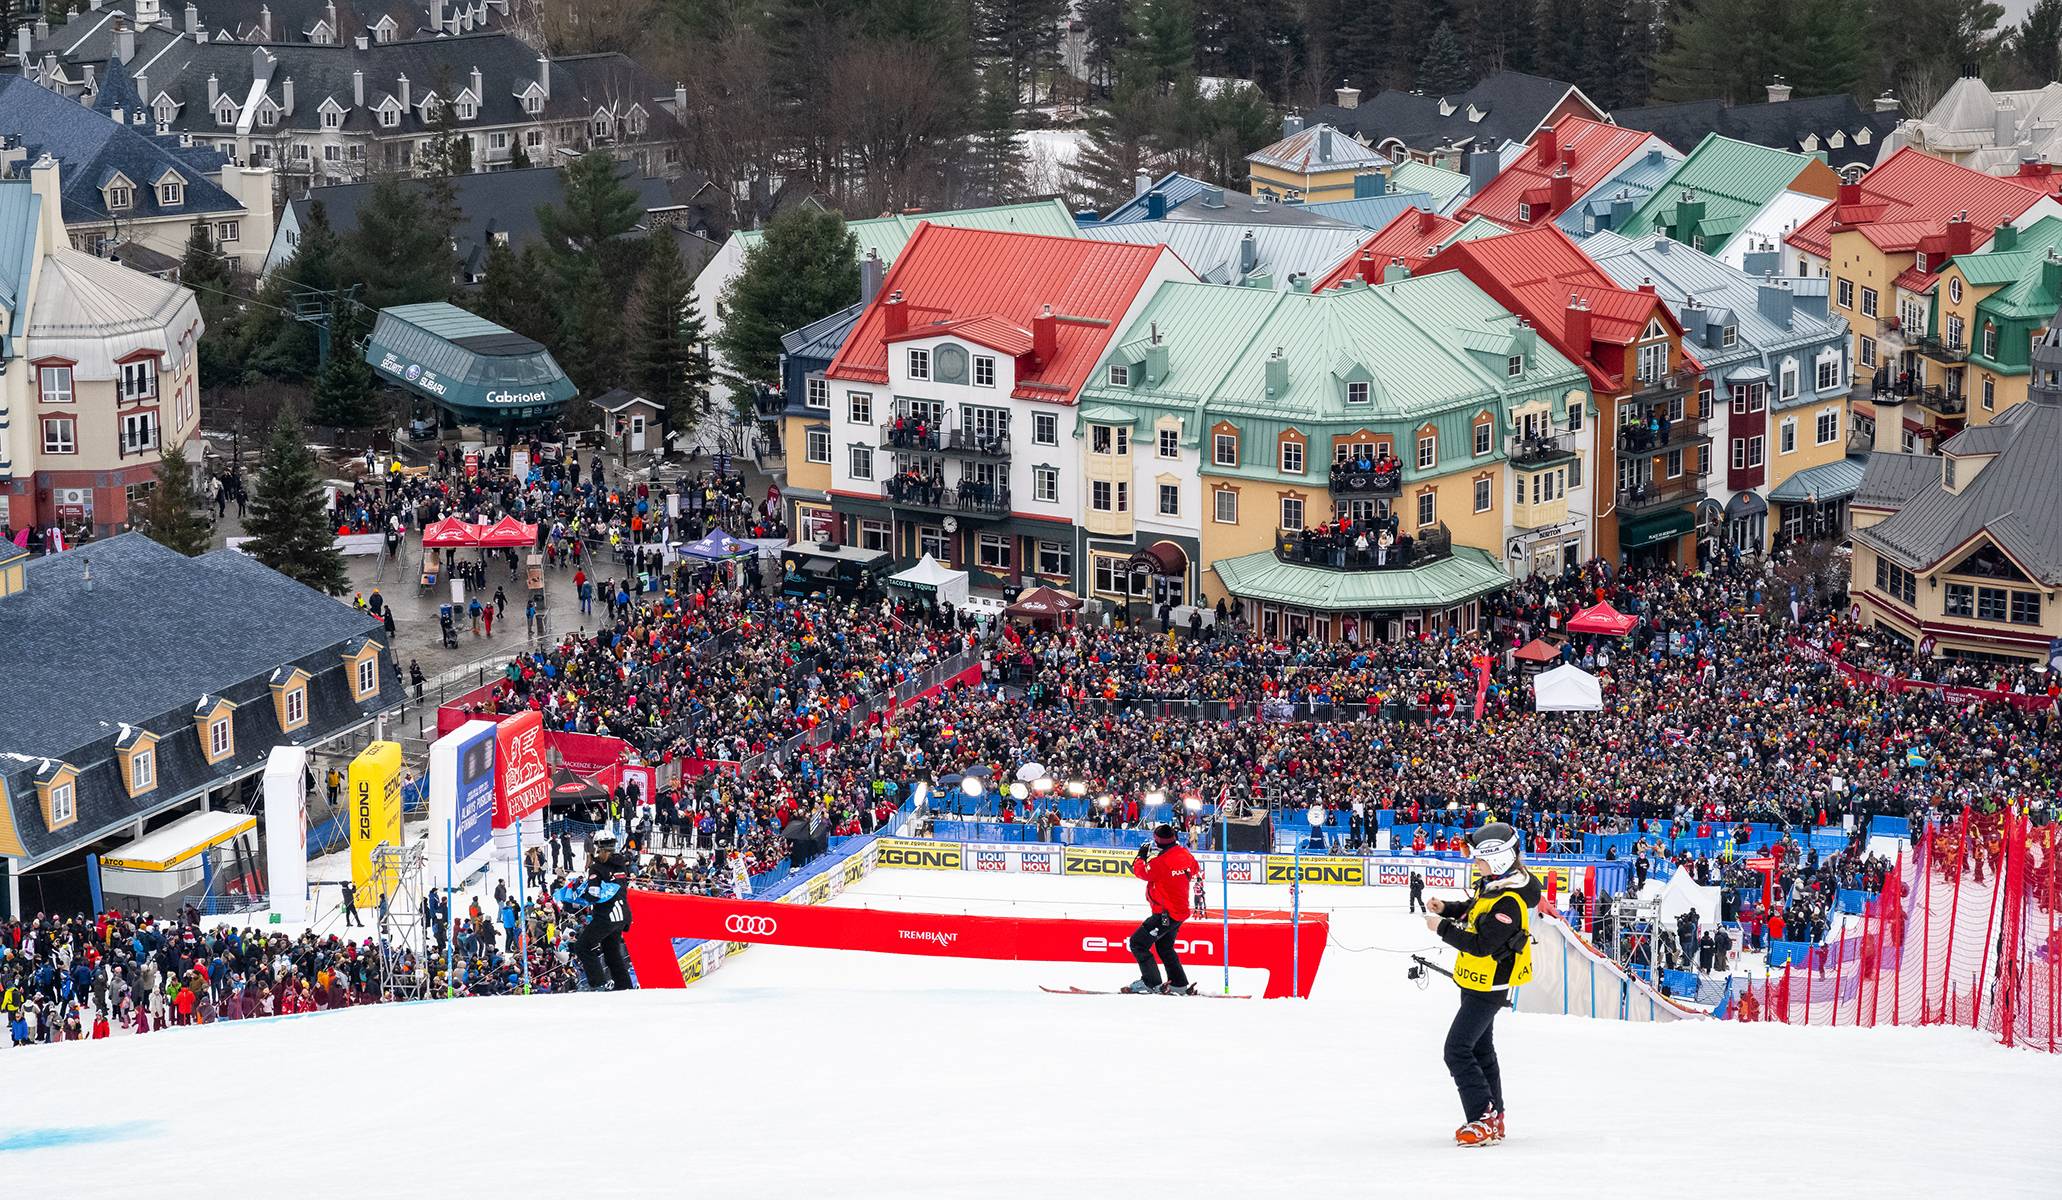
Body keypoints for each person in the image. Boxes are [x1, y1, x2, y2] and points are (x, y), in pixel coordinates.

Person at [1424, 822, 1539, 1148]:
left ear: (1499, 860)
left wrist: (1441, 928)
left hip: (1489, 985)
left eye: (1480, 859)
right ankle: (1494, 1116)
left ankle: (1482, 1117)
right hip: (1476, 980)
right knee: (1480, 1048)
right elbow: (1476, 913)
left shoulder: (1509, 901)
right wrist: (1447, 909)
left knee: (1456, 1050)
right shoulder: (1494, 887)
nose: (1475, 864)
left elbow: (1482, 944)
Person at [1124, 823, 1199, 995]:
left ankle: (1150, 982)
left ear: (1157, 842)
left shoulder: (1160, 862)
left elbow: (1142, 872)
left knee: (1138, 943)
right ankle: (1178, 984)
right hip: (1179, 912)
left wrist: (1141, 857)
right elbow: (1194, 868)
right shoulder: (1185, 854)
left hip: (1165, 914)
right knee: (1165, 947)